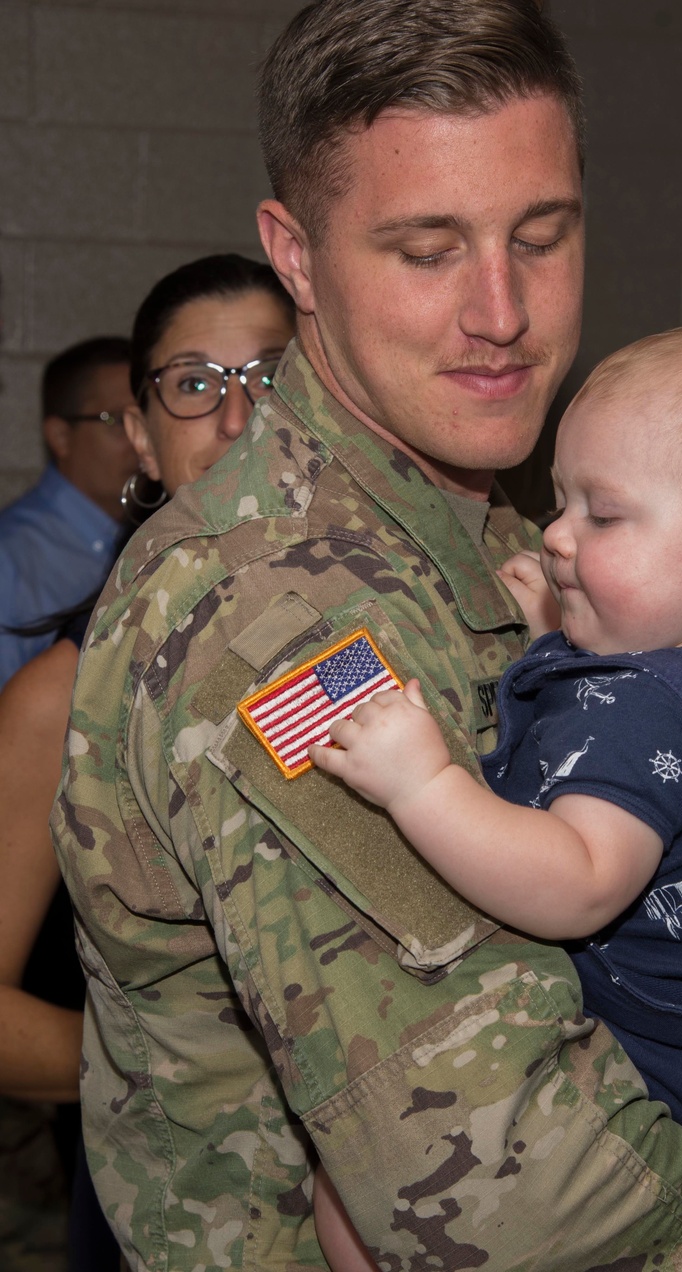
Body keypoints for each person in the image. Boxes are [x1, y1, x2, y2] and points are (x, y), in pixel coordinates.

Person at [52, 3, 682, 1269]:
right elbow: (495, 1201)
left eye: (541, 236)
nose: (502, 311)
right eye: (427, 250)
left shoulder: (505, 538)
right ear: (298, 257)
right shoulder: (280, 623)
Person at [310, 317, 682, 1201]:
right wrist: (558, 634)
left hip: (656, 1079)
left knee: (357, 1211)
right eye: (562, 501)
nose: (556, 536)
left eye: (603, 514)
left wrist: (422, 782)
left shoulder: (650, 707)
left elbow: (580, 881)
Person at [0, 253, 294, 1272]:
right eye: (194, 384)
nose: (236, 417)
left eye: (271, 377)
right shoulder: (65, 692)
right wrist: (190, 1067)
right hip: (184, 1209)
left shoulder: (399, 641)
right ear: (137, 432)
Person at [0, 336, 136, 688]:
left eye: (147, 418)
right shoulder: (10, 558)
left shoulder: (151, 538)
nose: (140, 438)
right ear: (60, 436)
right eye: (118, 420)